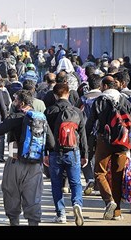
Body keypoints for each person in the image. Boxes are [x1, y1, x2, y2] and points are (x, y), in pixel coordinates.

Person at [0, 89, 54, 226]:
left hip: (15, 160)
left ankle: (14, 222)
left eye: (16, 100)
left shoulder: (15, 117)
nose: (14, 102)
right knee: (33, 196)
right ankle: (33, 222)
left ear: (21, 103)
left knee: (11, 192)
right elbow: (51, 143)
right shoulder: (40, 118)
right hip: (35, 164)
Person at [86, 75, 131, 220]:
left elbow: (91, 123)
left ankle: (109, 201)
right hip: (123, 142)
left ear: (106, 86)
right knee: (118, 176)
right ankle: (117, 212)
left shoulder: (99, 100)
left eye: (101, 86)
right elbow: (130, 123)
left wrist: (86, 143)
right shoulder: (125, 100)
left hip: (104, 141)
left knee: (100, 173)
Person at [44, 83, 88, 226]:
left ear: (55, 95)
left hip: (54, 152)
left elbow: (44, 134)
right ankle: (77, 204)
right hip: (73, 151)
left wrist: (45, 153)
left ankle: (61, 214)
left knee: (56, 184)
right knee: (75, 182)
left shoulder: (49, 111)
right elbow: (82, 134)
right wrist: (85, 154)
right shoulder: (77, 111)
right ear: (68, 94)